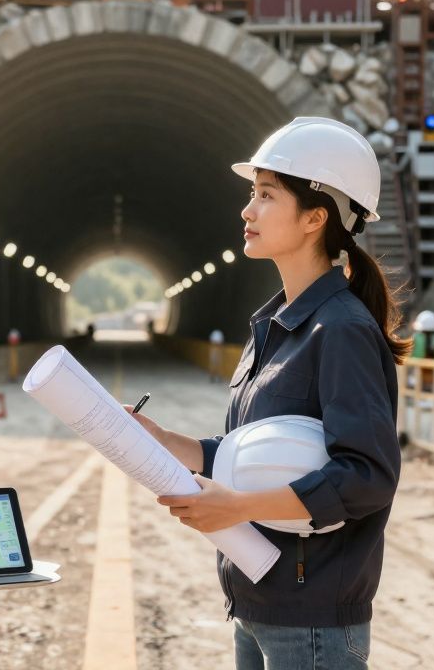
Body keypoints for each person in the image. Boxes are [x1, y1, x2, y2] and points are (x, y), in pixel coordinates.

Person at [126, 117, 409, 669]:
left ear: (315, 218)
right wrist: (160, 440)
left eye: (265, 195)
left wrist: (238, 507)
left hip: (313, 622)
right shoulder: (276, 325)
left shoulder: (341, 331)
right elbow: (250, 454)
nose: (246, 211)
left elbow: (367, 476)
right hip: (259, 605)